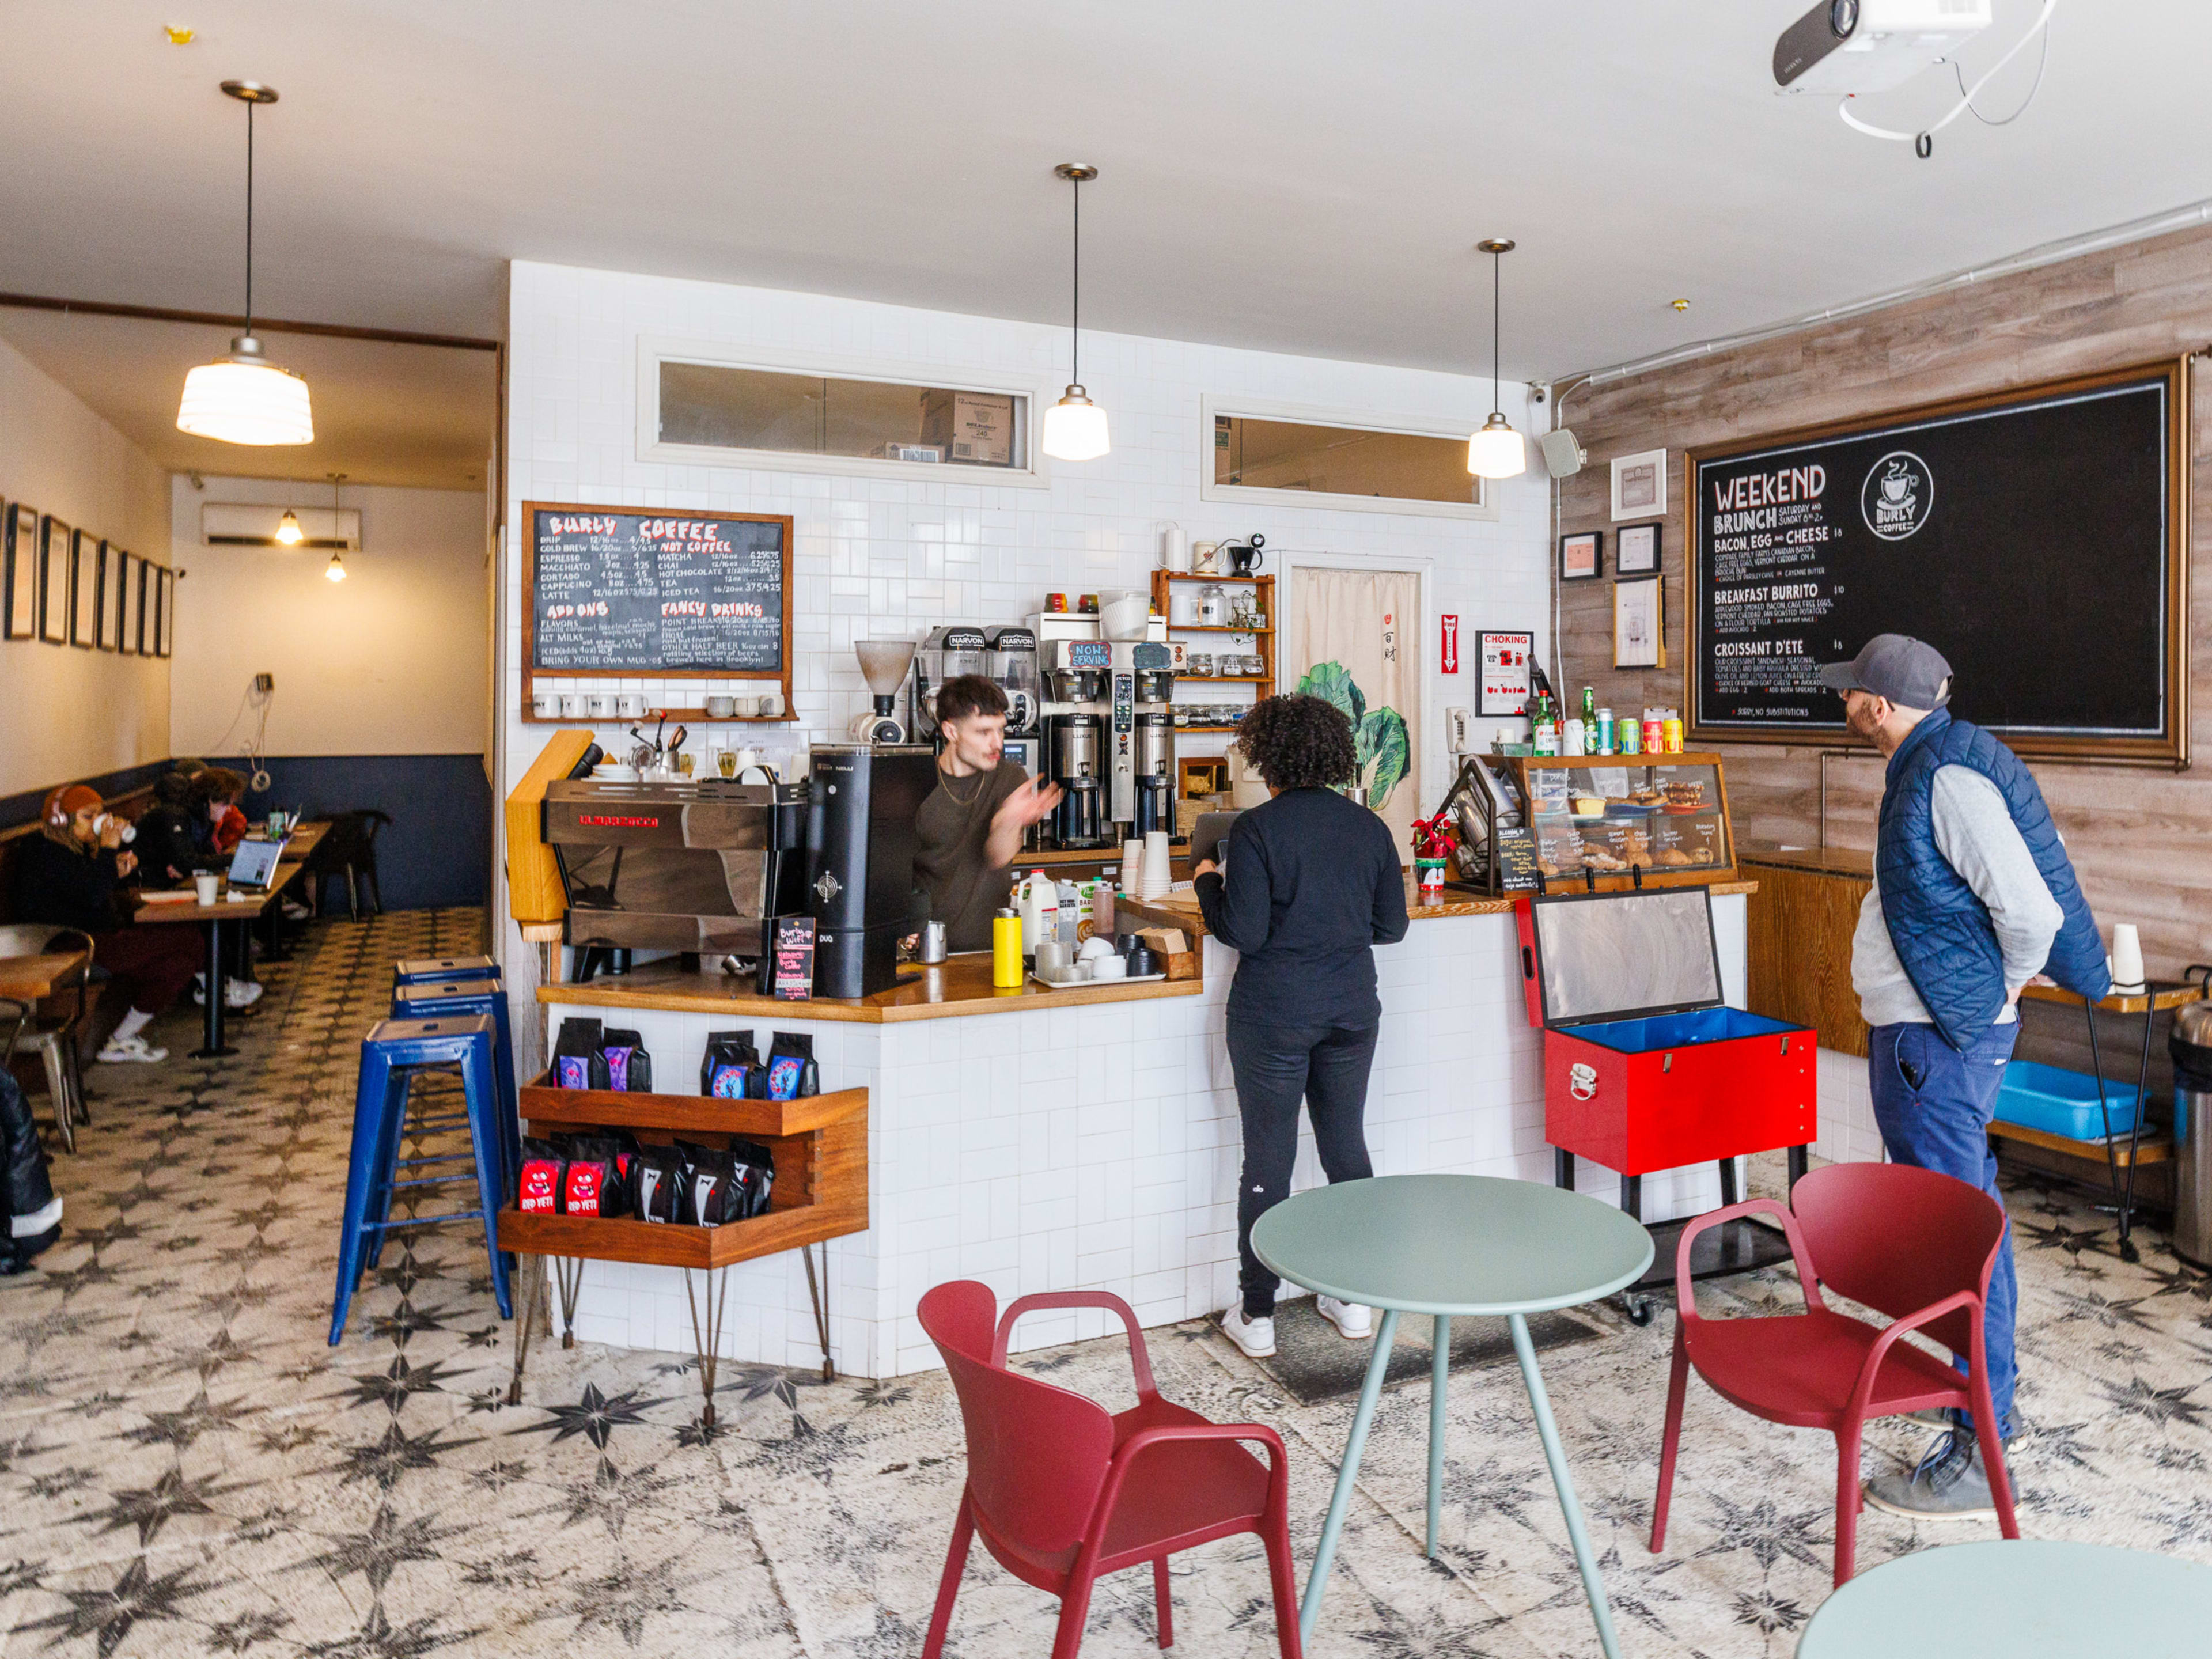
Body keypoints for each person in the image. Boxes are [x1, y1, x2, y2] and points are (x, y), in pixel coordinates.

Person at [1816, 634, 2108, 1520]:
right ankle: (1975, 1420)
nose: (1847, 706)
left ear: (1877, 706)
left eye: (1851, 696)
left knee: (1957, 1238)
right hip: (1933, 1039)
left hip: (1939, 1043)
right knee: (1957, 1226)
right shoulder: (1935, 764)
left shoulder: (1944, 778)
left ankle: (1981, 1446)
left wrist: (1998, 992)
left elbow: (2029, 911)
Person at [1192, 693, 1409, 1358]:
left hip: (1274, 1016)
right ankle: (1353, 1300)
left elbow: (1244, 933)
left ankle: (1257, 1315)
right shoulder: (1368, 826)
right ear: (1334, 754)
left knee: (1269, 1160)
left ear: (1269, 758)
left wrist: (1207, 882)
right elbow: (1391, 927)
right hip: (1351, 1011)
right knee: (1346, 1149)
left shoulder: (1258, 830)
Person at [8, 786, 204, 1063]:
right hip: (66, 947)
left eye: (101, 816)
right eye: (89, 817)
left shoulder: (80, 849)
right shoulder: (43, 852)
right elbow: (91, 896)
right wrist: (109, 851)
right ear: (60, 820)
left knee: (177, 966)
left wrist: (119, 870)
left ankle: (120, 1041)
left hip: (98, 938)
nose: (99, 823)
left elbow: (95, 892)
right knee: (186, 937)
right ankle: (215, 989)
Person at [911, 675, 1062, 952]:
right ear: (951, 732)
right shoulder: (916, 783)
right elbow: (894, 873)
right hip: (928, 951)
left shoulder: (1009, 778)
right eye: (983, 732)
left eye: (1001, 730)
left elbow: (998, 855)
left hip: (991, 951)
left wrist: (1010, 821)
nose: (998, 744)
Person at [134, 771, 221, 888]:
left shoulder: (198, 814)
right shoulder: (172, 816)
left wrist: (187, 870)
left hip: (168, 881)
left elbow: (201, 855)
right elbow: (185, 861)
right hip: (150, 884)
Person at [196, 767, 251, 856]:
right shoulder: (189, 823)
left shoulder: (208, 823)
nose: (229, 809)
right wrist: (229, 858)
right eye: (226, 803)